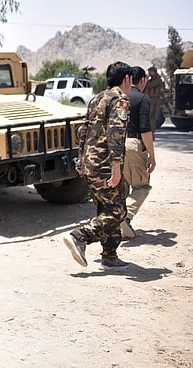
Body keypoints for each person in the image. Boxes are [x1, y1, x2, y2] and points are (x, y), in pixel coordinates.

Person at [63, 61, 134, 271]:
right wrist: (116, 166)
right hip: (105, 164)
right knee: (118, 211)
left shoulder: (97, 98)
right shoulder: (120, 100)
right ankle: (80, 236)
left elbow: (83, 130)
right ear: (127, 79)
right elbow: (116, 133)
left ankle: (110, 256)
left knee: (106, 207)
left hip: (90, 164)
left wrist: (81, 159)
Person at [120, 66, 156, 239]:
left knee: (123, 187)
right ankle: (124, 218)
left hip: (116, 145)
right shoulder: (142, 99)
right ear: (142, 81)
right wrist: (151, 155)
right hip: (134, 144)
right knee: (142, 186)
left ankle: (119, 225)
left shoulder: (118, 97)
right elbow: (145, 130)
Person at [144, 66, 163, 135]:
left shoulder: (158, 80)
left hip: (154, 100)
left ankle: (151, 132)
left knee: (152, 117)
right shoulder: (150, 80)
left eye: (150, 71)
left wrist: (146, 79)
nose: (149, 73)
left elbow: (149, 85)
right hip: (149, 99)